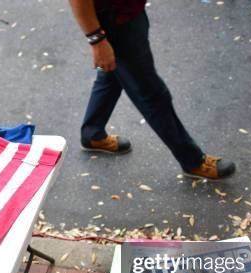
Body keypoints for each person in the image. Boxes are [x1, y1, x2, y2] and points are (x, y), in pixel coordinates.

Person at [69, 0, 236, 179]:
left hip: (128, 15)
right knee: (152, 94)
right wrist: (97, 40)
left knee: (112, 76)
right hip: (116, 22)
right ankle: (193, 161)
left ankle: (92, 133)